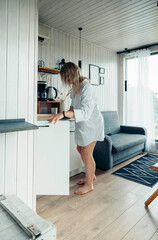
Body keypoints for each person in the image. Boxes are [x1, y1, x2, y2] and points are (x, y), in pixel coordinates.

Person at [48, 62, 104, 195]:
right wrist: (63, 114)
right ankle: (91, 175)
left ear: (72, 75)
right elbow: (73, 107)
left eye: (66, 78)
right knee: (80, 149)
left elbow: (84, 113)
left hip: (92, 125)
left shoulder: (87, 88)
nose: (66, 81)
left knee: (86, 152)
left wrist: (62, 114)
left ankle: (89, 183)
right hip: (83, 125)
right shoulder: (75, 87)